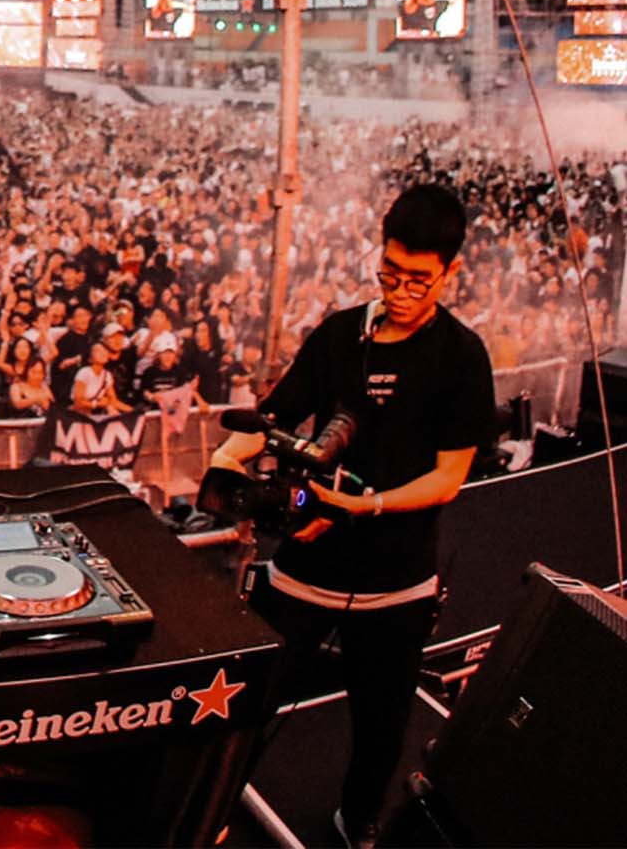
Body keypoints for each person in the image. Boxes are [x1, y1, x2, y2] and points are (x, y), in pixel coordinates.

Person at [208, 183, 494, 848]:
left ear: (450, 272)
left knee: (381, 730)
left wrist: (367, 505)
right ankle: (211, 814)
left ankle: (356, 823)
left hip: (398, 585)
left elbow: (448, 477)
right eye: (390, 272)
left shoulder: (462, 356)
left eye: (418, 280)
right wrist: (226, 463)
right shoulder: (340, 335)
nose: (400, 290)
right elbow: (272, 420)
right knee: (249, 709)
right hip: (303, 571)